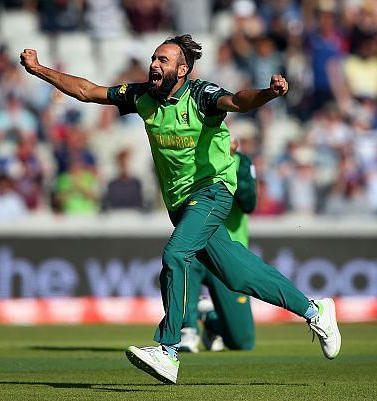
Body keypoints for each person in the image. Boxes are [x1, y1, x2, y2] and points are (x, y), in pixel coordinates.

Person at [20, 34, 341, 384]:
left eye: (163, 60)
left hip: (213, 191)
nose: (154, 65)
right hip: (180, 204)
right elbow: (87, 91)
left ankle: (169, 350)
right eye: (154, 59)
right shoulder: (141, 95)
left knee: (175, 255)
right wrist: (39, 70)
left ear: (183, 70)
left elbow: (238, 102)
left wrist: (267, 93)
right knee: (238, 275)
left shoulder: (202, 95)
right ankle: (315, 310)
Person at [179, 136, 257, 353]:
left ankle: (211, 318)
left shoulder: (242, 162)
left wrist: (227, 163)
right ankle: (187, 329)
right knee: (183, 260)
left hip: (229, 249)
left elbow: (249, 202)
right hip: (196, 244)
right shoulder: (191, 158)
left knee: (242, 342)